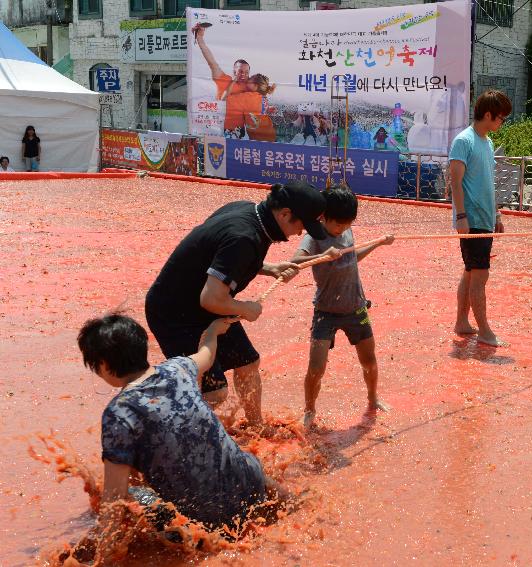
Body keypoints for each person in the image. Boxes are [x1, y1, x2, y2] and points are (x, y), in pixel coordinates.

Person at [77, 313, 286, 533]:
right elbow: (207, 353)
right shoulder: (179, 368)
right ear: (141, 345)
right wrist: (213, 330)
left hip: (203, 525)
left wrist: (103, 557)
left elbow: (114, 500)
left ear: (103, 363)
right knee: (243, 459)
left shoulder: (120, 413)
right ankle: (288, 500)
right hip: (250, 490)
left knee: (124, 491)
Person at [145, 181, 327, 425]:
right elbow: (211, 298)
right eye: (302, 226)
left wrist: (268, 268)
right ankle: (171, 431)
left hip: (205, 301)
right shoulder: (244, 237)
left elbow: (219, 258)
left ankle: (257, 426)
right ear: (284, 214)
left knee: (248, 363)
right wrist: (246, 308)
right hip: (175, 313)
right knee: (215, 392)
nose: (300, 233)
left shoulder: (247, 210)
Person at [291, 186, 394, 427]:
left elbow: (352, 257)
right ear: (323, 217)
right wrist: (322, 256)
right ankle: (309, 410)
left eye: (348, 225)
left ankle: (373, 399)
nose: (343, 230)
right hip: (325, 311)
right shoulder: (313, 236)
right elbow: (294, 262)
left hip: (356, 308)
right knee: (316, 367)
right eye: (338, 225)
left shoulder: (347, 231)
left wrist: (378, 243)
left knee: (369, 360)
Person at [449, 89, 513, 347]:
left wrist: (496, 213)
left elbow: (488, 182)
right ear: (488, 114)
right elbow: (455, 181)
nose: (502, 123)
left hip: (485, 218)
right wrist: (461, 216)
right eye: (501, 118)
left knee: (470, 272)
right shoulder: (464, 141)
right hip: (471, 219)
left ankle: (462, 322)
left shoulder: (486, 142)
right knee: (479, 275)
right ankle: (485, 331)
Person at [192, 23, 250, 100]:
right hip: (222, 111)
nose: (243, 74)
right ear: (234, 71)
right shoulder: (225, 80)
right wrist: (199, 38)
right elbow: (212, 62)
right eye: (240, 71)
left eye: (246, 72)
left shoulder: (252, 85)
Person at [226, 74, 277, 141]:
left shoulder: (248, 96)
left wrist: (232, 82)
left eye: (249, 82)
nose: (246, 82)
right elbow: (260, 109)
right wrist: (268, 109)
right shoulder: (261, 96)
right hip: (270, 133)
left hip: (259, 137)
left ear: (255, 86)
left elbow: (229, 97)